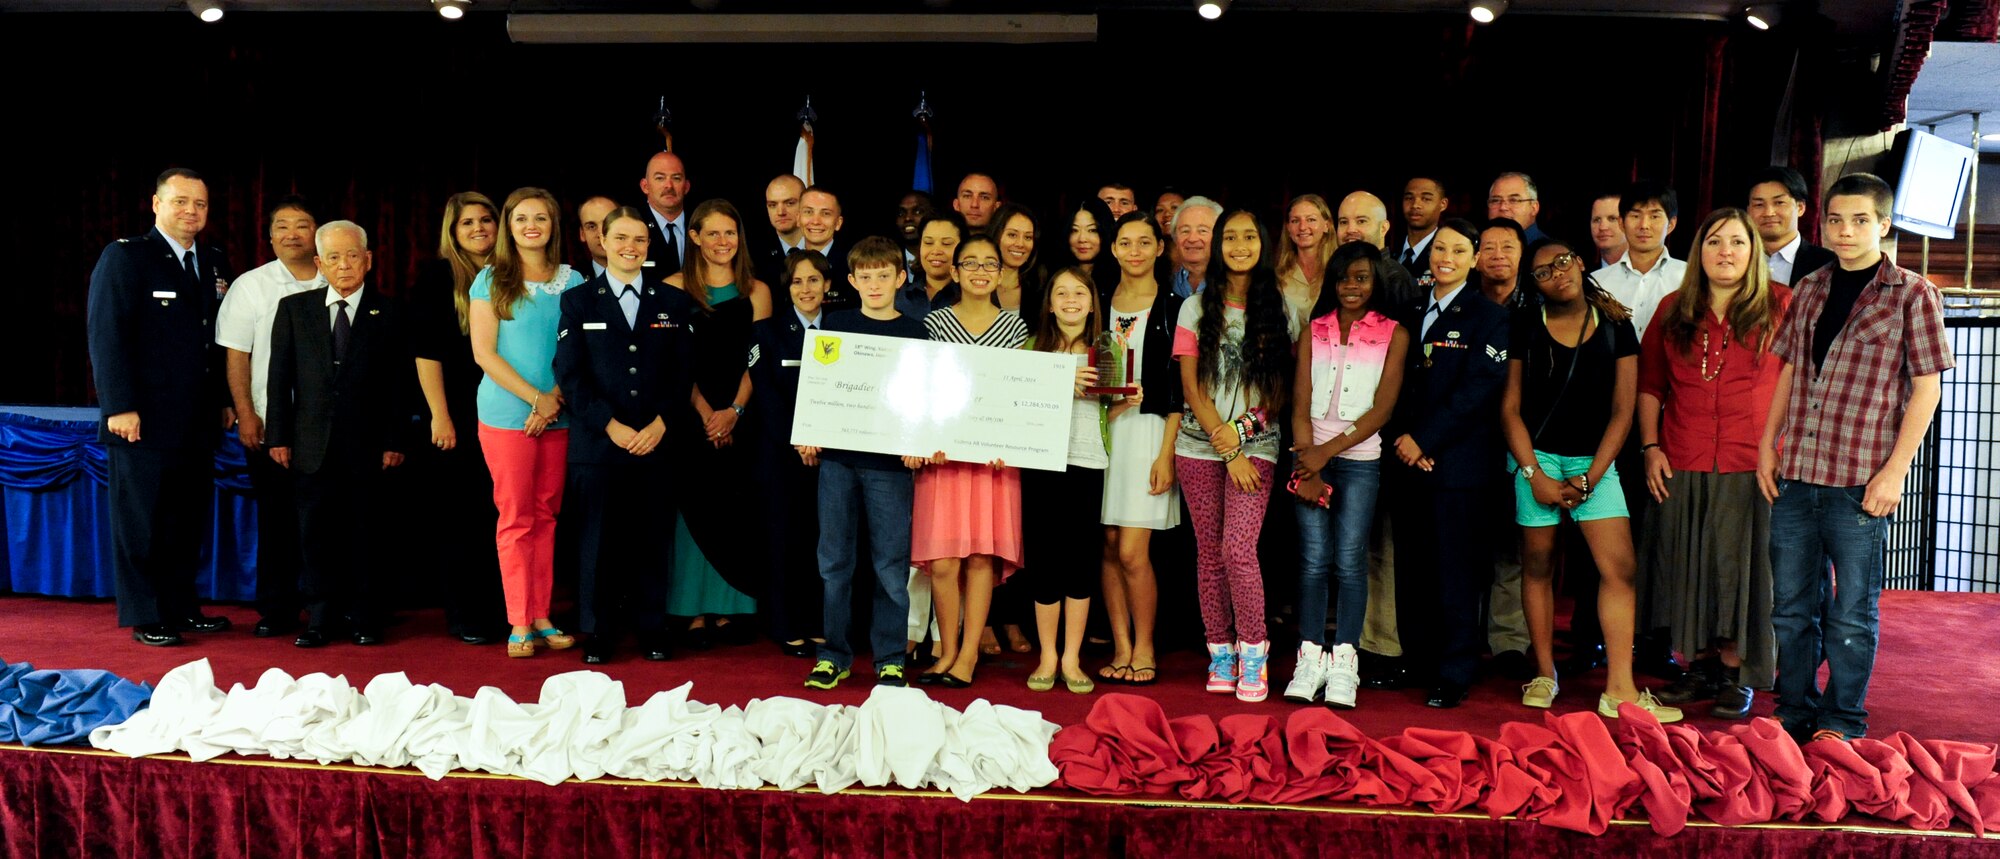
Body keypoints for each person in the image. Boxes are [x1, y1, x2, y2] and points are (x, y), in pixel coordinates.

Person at [1758, 172, 1952, 743]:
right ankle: (1793, 708)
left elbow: (1928, 388)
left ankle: (1842, 719)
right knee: (1790, 608)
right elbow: (1790, 370)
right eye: (1836, 220)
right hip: (1798, 472)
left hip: (1860, 479)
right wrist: (1768, 445)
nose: (1845, 231)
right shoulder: (1810, 287)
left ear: (1883, 224)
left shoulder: (1913, 293)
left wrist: (1895, 472)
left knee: (1851, 613)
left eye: (1860, 220)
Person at [1501, 237, 1682, 722]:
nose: (1557, 273)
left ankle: (1619, 689)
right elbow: (1510, 409)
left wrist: (1591, 477)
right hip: (1537, 461)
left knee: (1619, 569)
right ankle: (1545, 674)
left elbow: (1624, 411)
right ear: (1534, 284)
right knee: (1538, 565)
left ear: (1580, 263)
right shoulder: (1525, 325)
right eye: (1543, 272)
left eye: (1563, 262)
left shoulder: (1616, 324)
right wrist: (1534, 473)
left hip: (1595, 463)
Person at [1641, 208, 1791, 720]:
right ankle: (1699, 667)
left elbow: (1801, 381)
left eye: (1737, 242)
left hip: (1754, 461)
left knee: (1742, 571)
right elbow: (1650, 385)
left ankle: (1735, 671)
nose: (1725, 251)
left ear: (1754, 252)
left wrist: (1783, 447)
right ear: (1698, 251)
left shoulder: (1782, 305)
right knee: (1691, 567)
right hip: (1683, 455)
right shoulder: (1673, 308)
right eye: (1714, 242)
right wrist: (1650, 447)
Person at [87, 167, 236, 647]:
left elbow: (216, 341)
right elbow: (107, 335)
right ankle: (146, 614)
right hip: (142, 419)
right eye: (180, 202)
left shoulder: (213, 260)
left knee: (185, 520)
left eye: (200, 204)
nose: (191, 211)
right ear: (156, 204)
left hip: (197, 420)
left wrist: (224, 401)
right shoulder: (126, 257)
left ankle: (181, 606)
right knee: (142, 521)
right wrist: (119, 406)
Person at [1371, 218, 1509, 708]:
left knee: (1455, 571)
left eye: (1458, 250)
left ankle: (1454, 671)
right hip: (1406, 460)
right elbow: (1393, 382)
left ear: (1475, 259)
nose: (1445, 258)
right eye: (1440, 249)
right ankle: (1418, 660)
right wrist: (1405, 441)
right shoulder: (1410, 309)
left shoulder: (1488, 316)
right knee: (1413, 567)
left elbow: (1478, 390)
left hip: (1458, 466)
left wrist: (1425, 440)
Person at [555, 205, 693, 664]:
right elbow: (569, 374)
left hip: (657, 441)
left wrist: (660, 424)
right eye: (620, 238)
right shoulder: (578, 301)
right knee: (597, 543)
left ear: (648, 244)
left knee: (652, 538)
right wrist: (609, 425)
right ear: (603, 241)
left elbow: (682, 373)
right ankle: (598, 631)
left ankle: (652, 628)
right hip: (599, 444)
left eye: (638, 239)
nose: (629, 247)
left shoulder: (672, 300)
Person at [265, 220, 410, 647]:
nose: (343, 265)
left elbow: (401, 385)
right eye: (333, 257)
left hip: (369, 446)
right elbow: (279, 379)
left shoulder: (390, 312)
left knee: (366, 534)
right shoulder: (294, 309)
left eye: (352, 256)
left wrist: (395, 440)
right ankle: (320, 618)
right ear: (319, 263)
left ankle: (365, 617)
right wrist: (278, 436)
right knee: (314, 535)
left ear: (368, 260)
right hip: (310, 445)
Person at [1174, 208, 1298, 703]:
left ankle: (1253, 649)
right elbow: (1190, 386)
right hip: (1197, 446)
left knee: (1238, 551)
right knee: (1209, 554)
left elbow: (1281, 390)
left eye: (1249, 237)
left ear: (1263, 245)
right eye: (1230, 237)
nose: (1239, 246)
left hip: (1258, 446)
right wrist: (1225, 447)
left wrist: (1239, 436)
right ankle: (1220, 650)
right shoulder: (1194, 308)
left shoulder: (1281, 308)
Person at [797, 237, 931, 690]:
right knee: (834, 563)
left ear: (900, 278)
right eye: (866, 277)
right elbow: (818, 385)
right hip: (837, 461)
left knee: (890, 567)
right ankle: (834, 655)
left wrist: (917, 441)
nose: (875, 284)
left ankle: (890, 658)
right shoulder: (836, 324)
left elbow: (921, 398)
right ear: (852, 281)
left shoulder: (916, 333)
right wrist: (809, 429)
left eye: (883, 276)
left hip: (891, 467)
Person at [1282, 241, 1407, 709]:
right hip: (1309, 456)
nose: (1351, 286)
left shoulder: (1393, 333)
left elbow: (1382, 410)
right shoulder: (1314, 329)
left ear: (1375, 283)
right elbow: (1299, 403)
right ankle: (1310, 656)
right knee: (1312, 560)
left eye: (1361, 278)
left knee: (1350, 561)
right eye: (1343, 278)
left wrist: (1325, 454)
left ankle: (1344, 661)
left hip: (1359, 462)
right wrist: (1308, 463)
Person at [913, 235, 1032, 687]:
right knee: (944, 560)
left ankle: (966, 656)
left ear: (1000, 274)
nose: (980, 271)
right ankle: (945, 650)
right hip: (944, 456)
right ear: (955, 272)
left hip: (992, 460)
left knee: (981, 556)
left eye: (989, 264)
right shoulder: (933, 323)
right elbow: (924, 388)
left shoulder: (1015, 328)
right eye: (971, 263)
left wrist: (1010, 440)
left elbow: (1018, 394)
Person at [470, 187, 584, 658]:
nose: (531, 225)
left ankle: (542, 615)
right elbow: (484, 353)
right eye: (521, 218)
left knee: (546, 516)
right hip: (506, 416)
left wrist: (551, 402)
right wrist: (536, 400)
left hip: (559, 413)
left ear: (554, 225)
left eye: (541, 217)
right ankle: (518, 619)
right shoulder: (490, 279)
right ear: (509, 226)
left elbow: (578, 350)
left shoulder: (573, 280)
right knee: (516, 517)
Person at [664, 199, 774, 649]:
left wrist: (734, 411)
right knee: (692, 508)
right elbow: (671, 361)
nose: (723, 241)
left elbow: (759, 358)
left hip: (742, 417)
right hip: (690, 416)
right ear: (694, 237)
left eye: (730, 233)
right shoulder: (672, 288)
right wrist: (705, 411)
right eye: (712, 233)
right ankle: (690, 609)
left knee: (736, 508)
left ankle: (734, 606)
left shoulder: (757, 291)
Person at [215, 194, 324, 638]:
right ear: (270, 236)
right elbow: (236, 355)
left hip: (328, 428)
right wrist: (246, 413)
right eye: (282, 226)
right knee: (277, 520)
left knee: (327, 520)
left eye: (302, 225)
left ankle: (329, 607)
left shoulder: (338, 277)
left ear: (317, 233)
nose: (292, 234)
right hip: (269, 422)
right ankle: (278, 608)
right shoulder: (251, 285)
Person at [411, 191, 508, 645]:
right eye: (467, 222)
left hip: (506, 410)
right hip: (457, 414)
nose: (479, 229)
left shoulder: (511, 273)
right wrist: (440, 416)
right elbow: (426, 351)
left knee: (499, 515)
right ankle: (465, 613)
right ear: (452, 231)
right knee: (461, 519)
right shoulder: (438, 276)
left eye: (486, 220)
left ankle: (506, 610)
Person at [1021, 266, 1119, 694]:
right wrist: (1062, 382)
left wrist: (1128, 399)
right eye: (1061, 293)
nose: (1070, 300)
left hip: (1088, 460)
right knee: (1044, 559)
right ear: (1049, 304)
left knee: (1080, 560)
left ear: (1092, 302)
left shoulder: (1107, 347)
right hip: (1042, 462)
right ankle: (1047, 655)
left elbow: (1109, 403)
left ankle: (1072, 658)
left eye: (1079, 292)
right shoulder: (1032, 347)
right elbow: (1021, 401)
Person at [1097, 213, 1183, 688]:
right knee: (1109, 546)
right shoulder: (1097, 300)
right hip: (1102, 430)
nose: (1134, 251)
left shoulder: (1175, 306)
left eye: (1144, 242)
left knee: (1133, 550)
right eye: (1125, 242)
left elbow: (1179, 389)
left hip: (1149, 434)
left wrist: (1166, 453)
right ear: (1113, 248)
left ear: (1158, 248)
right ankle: (1121, 646)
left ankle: (1145, 645)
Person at [757, 249, 833, 659]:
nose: (806, 289)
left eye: (814, 280)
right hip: (783, 456)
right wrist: (801, 438)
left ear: (828, 285)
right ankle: (786, 624)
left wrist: (822, 439)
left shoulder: (843, 330)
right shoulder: (766, 332)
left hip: (831, 456)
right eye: (798, 282)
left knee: (826, 542)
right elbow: (767, 398)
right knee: (785, 539)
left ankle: (821, 622)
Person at [1593, 180, 1685, 340]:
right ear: (1621, 223)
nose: (1644, 225)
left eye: (1654, 216)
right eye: (1635, 216)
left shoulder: (1689, 278)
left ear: (1671, 224)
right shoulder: (1597, 283)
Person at [1747, 166, 1837, 287]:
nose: (1768, 212)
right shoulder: (1735, 258)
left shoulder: (1829, 264)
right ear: (1748, 210)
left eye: (1779, 203)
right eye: (1759, 204)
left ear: (1800, 208)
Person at [1276, 194, 1333, 327]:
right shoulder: (1278, 276)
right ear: (1288, 228)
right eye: (1295, 221)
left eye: (1311, 220)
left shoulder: (1340, 271)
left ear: (1326, 225)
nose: (1302, 227)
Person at [797, 185, 853, 310]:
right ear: (798, 218)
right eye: (808, 212)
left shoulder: (853, 265)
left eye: (826, 213)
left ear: (838, 223)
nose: (815, 221)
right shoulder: (787, 263)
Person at [638, 151, 691, 280]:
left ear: (686, 187)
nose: (669, 185)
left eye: (676, 178)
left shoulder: (700, 223)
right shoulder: (633, 224)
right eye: (660, 178)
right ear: (645, 186)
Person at [902, 211, 964, 318]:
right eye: (928, 243)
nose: (935, 251)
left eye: (946, 243)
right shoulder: (899, 298)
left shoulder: (972, 299)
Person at [1054, 196, 1117, 293]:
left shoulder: (1119, 280)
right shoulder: (1053, 277)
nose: (1082, 239)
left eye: (1092, 230)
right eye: (1074, 230)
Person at [757, 174, 807, 288]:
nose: (780, 212)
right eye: (772, 205)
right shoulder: (755, 256)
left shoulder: (825, 247)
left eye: (789, 203)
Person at [1396, 176, 1449, 280]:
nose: (1415, 205)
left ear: (1443, 204)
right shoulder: (1389, 250)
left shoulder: (1447, 255)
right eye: (1409, 198)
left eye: (1426, 199)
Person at [1170, 195, 1222, 298]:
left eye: (1202, 230)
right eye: (1185, 231)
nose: (1192, 239)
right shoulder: (1167, 284)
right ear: (1175, 238)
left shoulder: (1231, 285)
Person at [1487, 172, 1547, 245]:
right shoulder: (1479, 247)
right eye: (1495, 200)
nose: (1503, 207)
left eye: (1513, 200)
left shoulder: (1547, 250)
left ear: (1534, 208)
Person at [575, 195, 617, 280]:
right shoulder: (574, 280)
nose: (601, 234)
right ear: (582, 234)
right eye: (591, 226)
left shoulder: (645, 274)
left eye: (607, 223)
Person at [894, 189, 934, 278]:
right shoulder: (889, 260)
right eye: (901, 213)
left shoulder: (945, 260)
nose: (908, 218)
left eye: (917, 212)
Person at [1589, 193, 1627, 270]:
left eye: (1612, 219)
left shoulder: (1649, 270)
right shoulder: (1583, 274)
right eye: (1597, 220)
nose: (1602, 227)